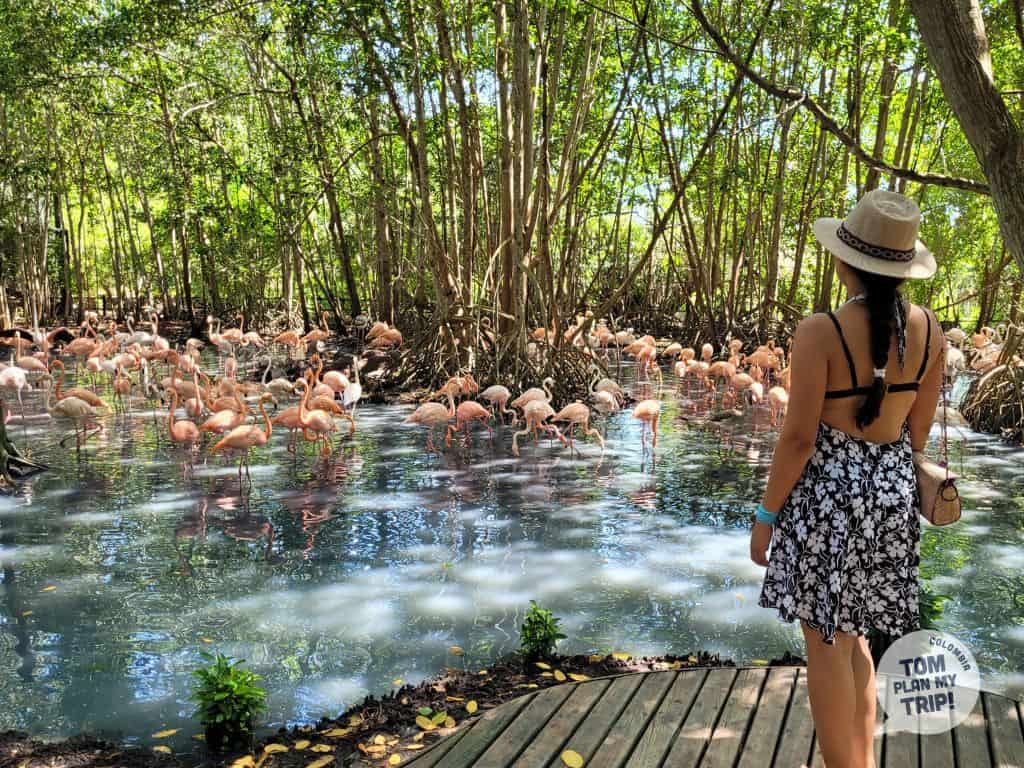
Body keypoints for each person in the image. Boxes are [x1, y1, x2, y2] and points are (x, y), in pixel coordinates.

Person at [752, 189, 944, 768]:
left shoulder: (819, 332)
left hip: (826, 501)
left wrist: (766, 519)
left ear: (845, 263)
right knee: (857, 637)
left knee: (825, 643)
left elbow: (798, 440)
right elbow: (917, 435)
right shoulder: (930, 331)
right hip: (890, 497)